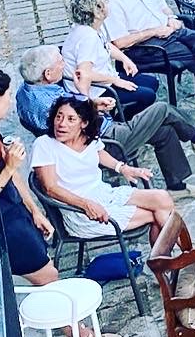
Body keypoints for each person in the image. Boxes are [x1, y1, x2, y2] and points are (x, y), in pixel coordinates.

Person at [0, 69, 125, 337]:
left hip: (15, 212)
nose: (10, 100)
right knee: (48, 278)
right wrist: (10, 167)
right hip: (0, 222)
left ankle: (79, 334)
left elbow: (13, 179)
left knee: (49, 275)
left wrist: (35, 209)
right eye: (7, 95)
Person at [17, 45, 195, 200]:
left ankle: (177, 187)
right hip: (105, 141)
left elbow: (73, 115)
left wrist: (94, 104)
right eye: (60, 63)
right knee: (162, 109)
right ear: (48, 74)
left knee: (163, 131)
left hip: (98, 133)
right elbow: (79, 123)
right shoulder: (47, 103)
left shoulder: (26, 92)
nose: (64, 65)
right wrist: (83, 92)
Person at [30, 95, 176, 244]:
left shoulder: (87, 137)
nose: (61, 124)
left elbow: (99, 153)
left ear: (84, 123)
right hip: (81, 212)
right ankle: (183, 255)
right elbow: (50, 188)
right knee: (158, 214)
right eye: (58, 117)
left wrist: (123, 168)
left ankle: (179, 257)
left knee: (162, 199)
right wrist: (86, 204)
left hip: (104, 194)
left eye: (71, 119)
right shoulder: (44, 144)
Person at [61, 0, 160, 118]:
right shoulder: (87, 38)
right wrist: (115, 80)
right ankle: (122, 121)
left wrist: (124, 59)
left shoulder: (91, 27)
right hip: (96, 89)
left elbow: (105, 45)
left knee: (152, 83)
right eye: (104, 1)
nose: (107, 4)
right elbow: (84, 74)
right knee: (148, 96)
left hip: (105, 76)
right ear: (97, 12)